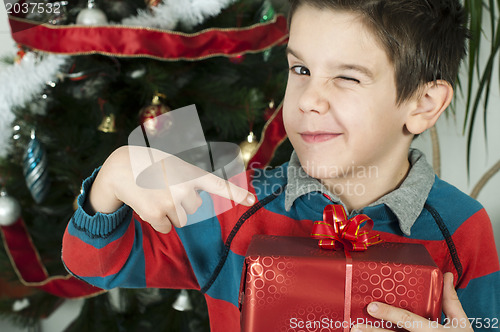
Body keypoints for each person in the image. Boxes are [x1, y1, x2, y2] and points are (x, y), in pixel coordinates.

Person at [62, 0, 500, 331]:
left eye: (347, 77)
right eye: (301, 68)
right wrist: (115, 172)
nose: (309, 99)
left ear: (423, 104)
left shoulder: (463, 228)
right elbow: (94, 264)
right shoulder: (229, 199)